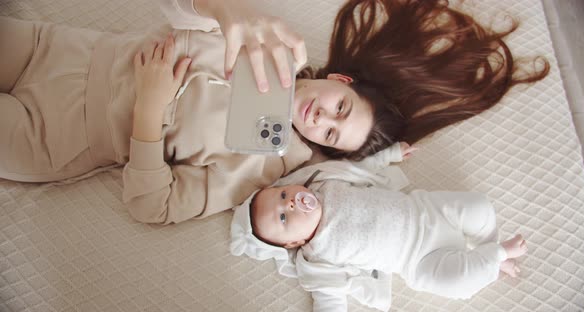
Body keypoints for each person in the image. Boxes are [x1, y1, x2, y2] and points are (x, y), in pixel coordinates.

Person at [0, 0, 549, 224]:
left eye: (333, 133)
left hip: (52, 137)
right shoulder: (268, 44)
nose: (321, 118)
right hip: (55, 49)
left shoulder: (261, 166)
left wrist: (149, 109)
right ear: (340, 79)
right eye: (340, 106)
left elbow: (154, 205)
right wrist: (229, 8)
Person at [231, 143, 528, 311]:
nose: (291, 204)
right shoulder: (316, 256)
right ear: (293, 244)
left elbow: (359, 169)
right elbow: (328, 297)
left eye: (283, 195)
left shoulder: (326, 183)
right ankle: (494, 257)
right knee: (457, 285)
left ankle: (489, 245)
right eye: (283, 218)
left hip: (427, 212)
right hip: (418, 260)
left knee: (479, 207)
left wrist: (388, 156)